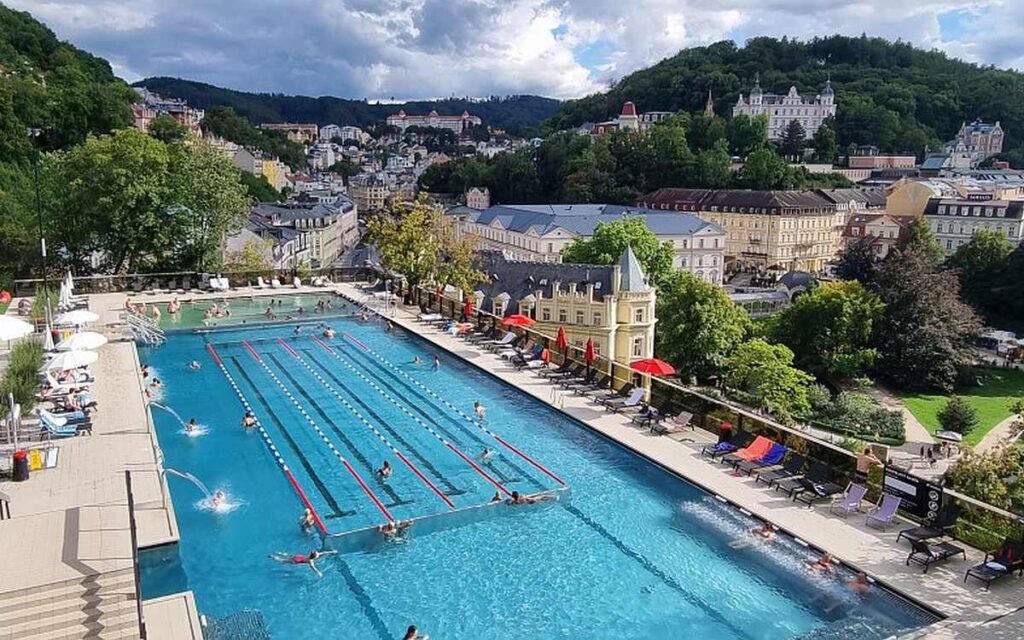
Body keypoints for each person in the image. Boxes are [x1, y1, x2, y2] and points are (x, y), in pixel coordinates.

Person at [270, 549, 336, 577]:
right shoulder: (310, 561)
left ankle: (278, 553)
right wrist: (319, 572)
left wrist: (331, 552)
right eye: (318, 555)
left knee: (288, 555)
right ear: (314, 557)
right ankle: (273, 557)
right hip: (296, 561)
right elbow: (314, 569)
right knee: (284, 561)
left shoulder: (310, 556)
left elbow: (323, 553)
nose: (319, 554)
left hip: (298, 556)